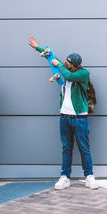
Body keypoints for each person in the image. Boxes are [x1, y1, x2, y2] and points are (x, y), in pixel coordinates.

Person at [29, 36, 98, 190]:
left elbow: (68, 76)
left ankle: (89, 176)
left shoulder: (83, 73)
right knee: (66, 148)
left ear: (75, 65)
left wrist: (59, 64)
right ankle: (65, 177)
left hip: (80, 118)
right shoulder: (63, 68)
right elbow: (50, 56)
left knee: (84, 148)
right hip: (64, 117)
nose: (65, 63)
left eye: (68, 62)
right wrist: (37, 47)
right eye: (65, 61)